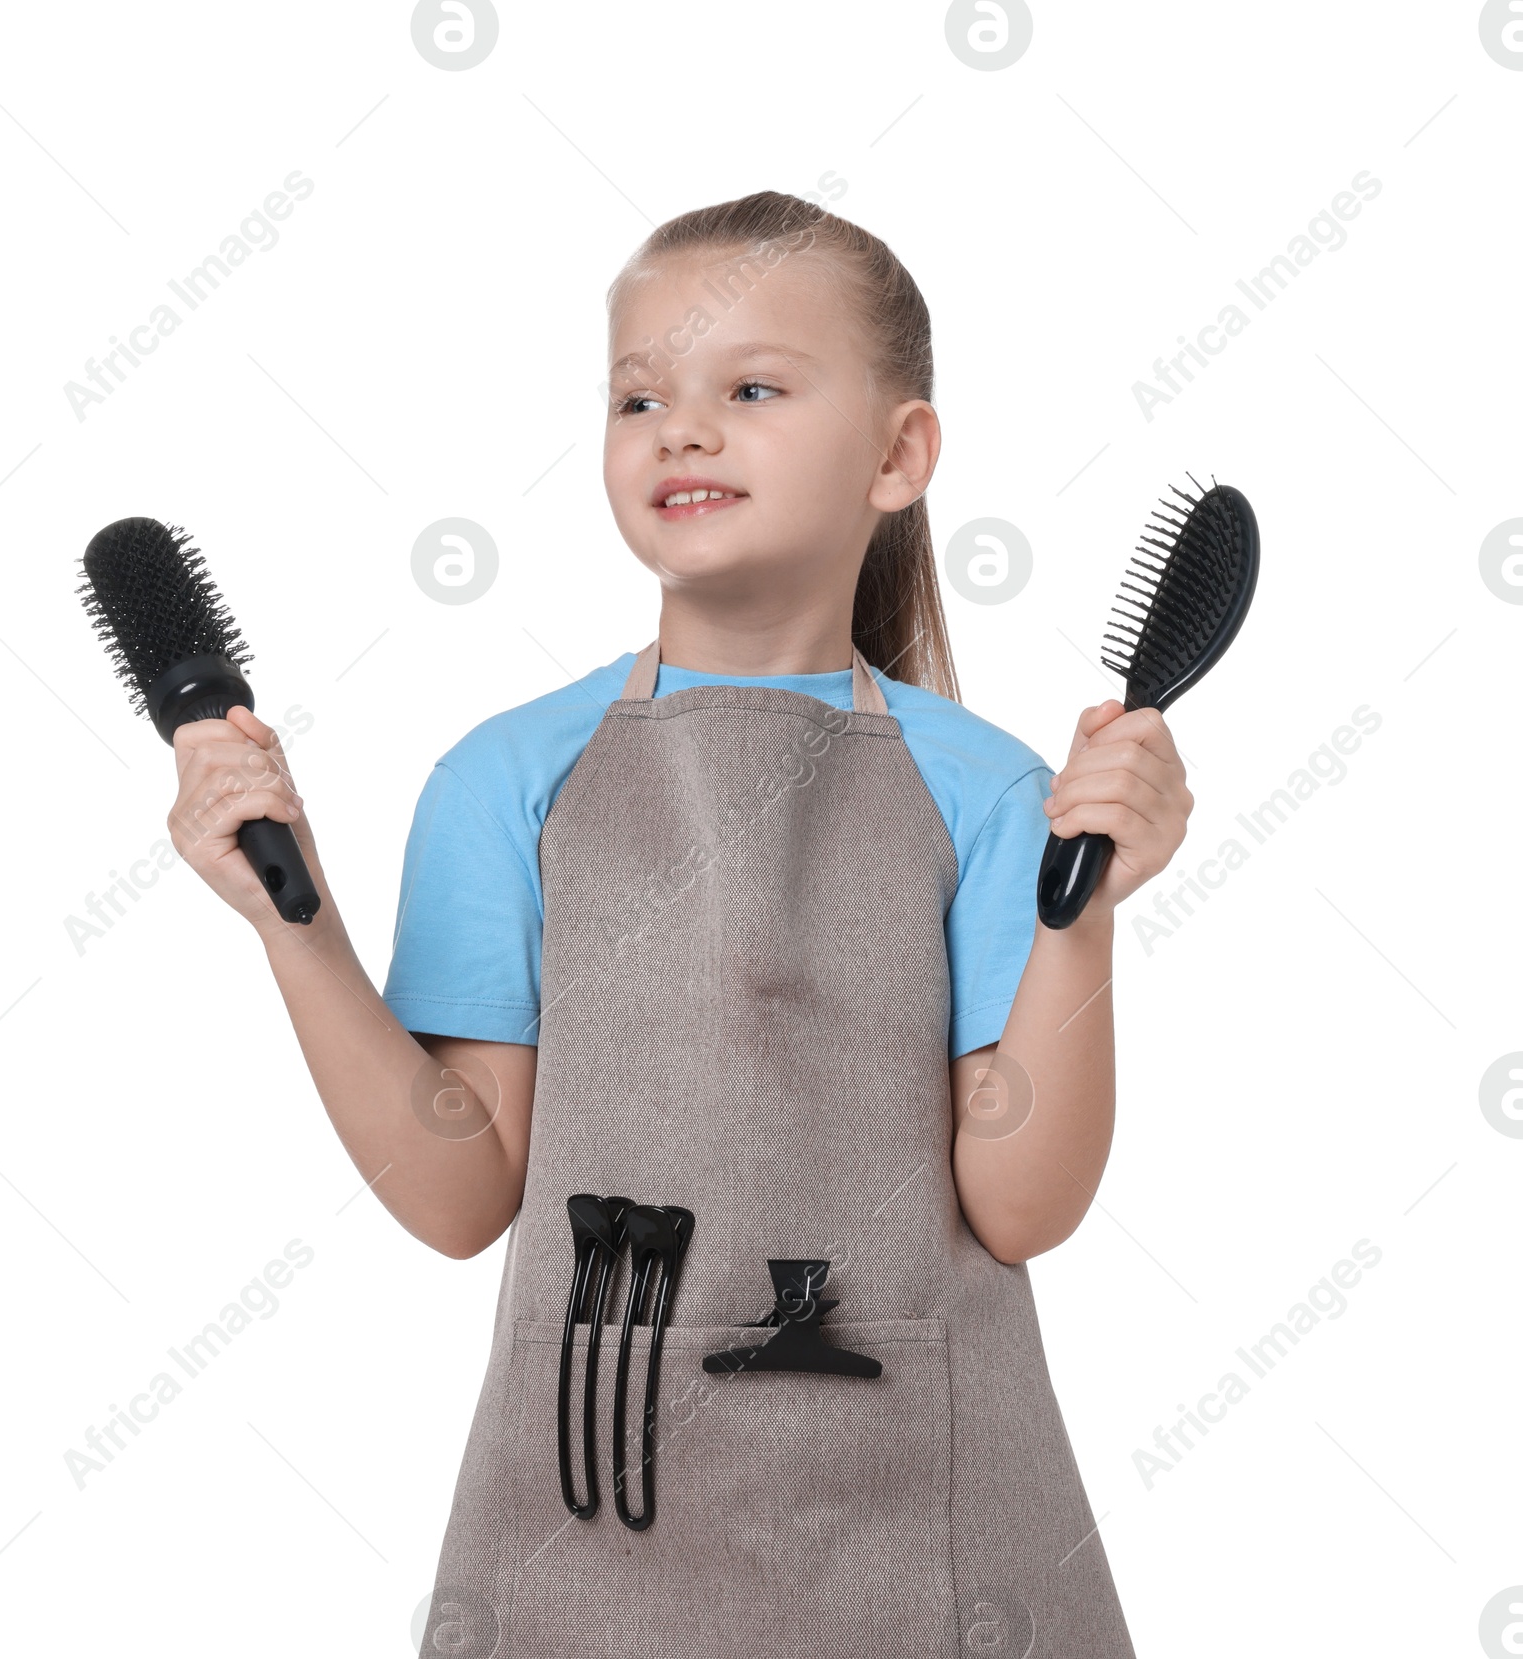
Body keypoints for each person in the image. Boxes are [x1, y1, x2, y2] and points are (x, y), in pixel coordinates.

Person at [168, 190, 1191, 1657]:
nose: (680, 429)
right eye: (637, 394)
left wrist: (1086, 918)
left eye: (752, 389)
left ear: (899, 456)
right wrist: (295, 923)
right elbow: (461, 1199)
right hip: (598, 1502)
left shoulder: (990, 793)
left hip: (930, 1535)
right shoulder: (505, 780)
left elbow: (1022, 1207)